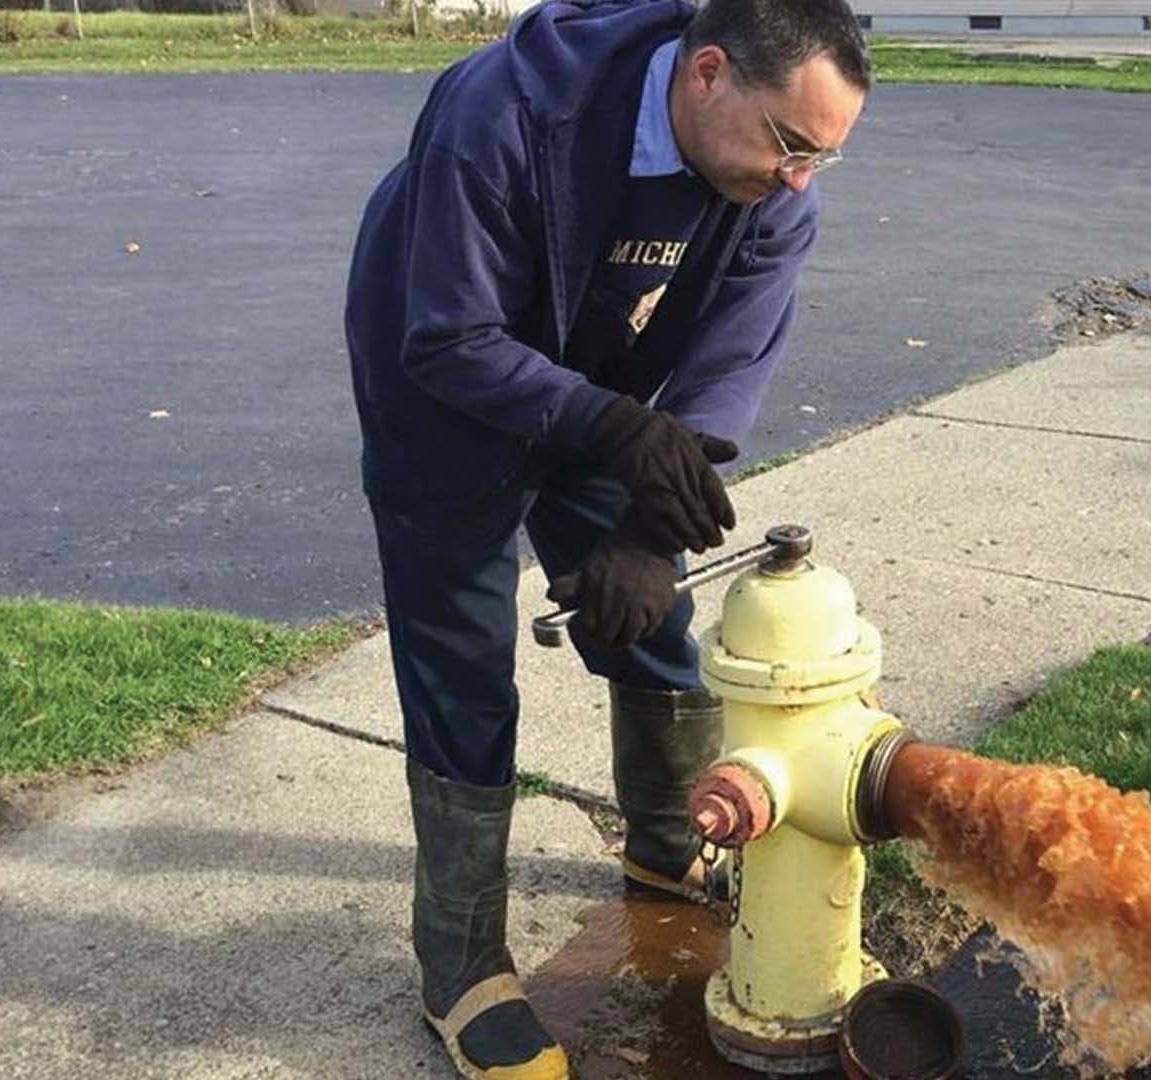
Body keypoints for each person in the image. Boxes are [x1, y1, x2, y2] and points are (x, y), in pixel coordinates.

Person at [343, 0, 869, 1073]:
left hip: (600, 381)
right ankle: (460, 963)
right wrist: (607, 424)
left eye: (827, 155)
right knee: (464, 667)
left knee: (657, 622)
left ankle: (670, 849)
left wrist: (640, 525)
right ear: (707, 73)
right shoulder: (505, 112)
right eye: (792, 144)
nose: (802, 180)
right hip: (440, 384)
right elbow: (448, 334)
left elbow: (728, 362)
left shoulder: (770, 189)